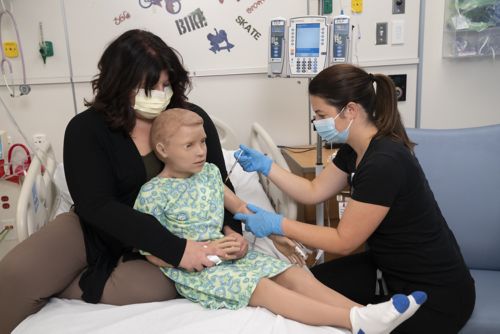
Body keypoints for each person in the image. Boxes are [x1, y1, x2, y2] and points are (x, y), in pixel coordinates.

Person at [0, 29, 248, 334]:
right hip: (97, 229)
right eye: (148, 87)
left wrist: (232, 230)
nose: (161, 93)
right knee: (15, 274)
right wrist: (175, 249)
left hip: (181, 232)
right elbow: (96, 205)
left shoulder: (188, 119)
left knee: (156, 289)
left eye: (166, 84)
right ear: (118, 83)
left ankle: (66, 286)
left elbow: (219, 182)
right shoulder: (86, 129)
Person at [135, 107, 426, 334]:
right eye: (189, 146)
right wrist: (194, 254)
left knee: (292, 273)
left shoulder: (209, 174)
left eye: (202, 142)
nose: (201, 151)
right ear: (162, 150)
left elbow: (238, 206)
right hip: (198, 270)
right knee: (262, 288)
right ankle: (352, 320)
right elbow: (150, 251)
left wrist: (273, 233)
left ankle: (366, 314)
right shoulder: (152, 194)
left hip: (231, 257)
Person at [233, 63, 475, 334]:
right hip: (388, 271)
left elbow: (344, 241)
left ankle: (361, 320)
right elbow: (313, 192)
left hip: (435, 294)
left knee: (322, 314)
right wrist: (267, 167)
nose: (316, 123)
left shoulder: (384, 162)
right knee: (298, 287)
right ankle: (362, 317)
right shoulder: (355, 150)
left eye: (321, 114)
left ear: (350, 110)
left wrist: (278, 224)